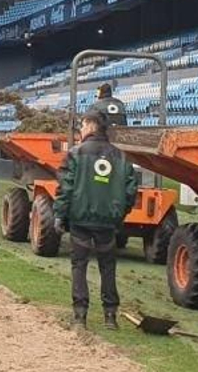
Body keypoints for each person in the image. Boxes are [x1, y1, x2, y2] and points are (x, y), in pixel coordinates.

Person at [55, 110, 139, 328]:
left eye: (82, 125)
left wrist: (59, 215)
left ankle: (80, 316)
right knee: (108, 267)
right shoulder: (120, 156)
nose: (81, 130)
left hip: (80, 220)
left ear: (91, 126)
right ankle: (110, 316)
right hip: (107, 223)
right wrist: (120, 214)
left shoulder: (76, 153)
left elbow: (66, 188)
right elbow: (131, 191)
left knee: (79, 266)